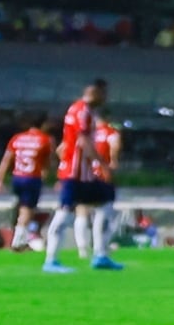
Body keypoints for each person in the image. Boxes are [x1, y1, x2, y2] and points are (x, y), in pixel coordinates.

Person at [51, 81, 122, 273]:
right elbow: (82, 141)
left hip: (81, 173)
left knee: (105, 201)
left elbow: (64, 146)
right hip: (76, 173)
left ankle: (100, 255)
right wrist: (102, 164)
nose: (106, 98)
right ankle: (51, 260)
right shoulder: (83, 112)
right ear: (96, 93)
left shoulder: (76, 110)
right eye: (104, 94)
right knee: (65, 212)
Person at [0, 119, 49, 253]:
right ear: (43, 124)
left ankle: (20, 238)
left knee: (22, 208)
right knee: (27, 210)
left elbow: (6, 160)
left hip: (17, 177)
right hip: (32, 177)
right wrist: (46, 177)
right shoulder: (44, 139)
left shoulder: (17, 138)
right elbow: (47, 163)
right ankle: (18, 242)